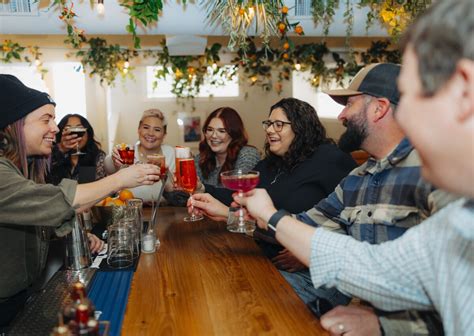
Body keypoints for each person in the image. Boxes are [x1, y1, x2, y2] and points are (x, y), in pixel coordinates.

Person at [235, 1, 473, 335]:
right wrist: (266, 216)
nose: (342, 116)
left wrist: (386, 326)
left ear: (464, 89)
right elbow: (376, 269)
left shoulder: (445, 190)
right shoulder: (459, 218)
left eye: (416, 96)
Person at [0, 75, 161, 328]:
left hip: (21, 297)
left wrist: (68, 234)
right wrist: (121, 179)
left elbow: (32, 216)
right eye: (46, 119)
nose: (55, 128)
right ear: (14, 124)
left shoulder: (23, 167)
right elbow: (56, 201)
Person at [190, 97, 356, 293]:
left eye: (279, 124)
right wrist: (203, 190)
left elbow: (354, 222)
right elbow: (239, 194)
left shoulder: (331, 160)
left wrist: (309, 252)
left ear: (301, 127)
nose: (269, 130)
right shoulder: (273, 162)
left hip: (312, 274)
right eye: (268, 124)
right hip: (265, 256)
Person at [105, 108, 175, 203]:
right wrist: (113, 159)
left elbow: (177, 190)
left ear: (164, 135)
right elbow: (108, 167)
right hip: (129, 212)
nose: (150, 133)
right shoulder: (127, 153)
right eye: (146, 127)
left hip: (165, 212)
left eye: (157, 130)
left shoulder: (171, 153)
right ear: (138, 130)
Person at [195, 107, 260, 188]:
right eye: (210, 129)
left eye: (221, 131)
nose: (214, 136)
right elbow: (192, 194)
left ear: (234, 134)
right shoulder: (201, 159)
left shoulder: (248, 154)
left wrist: (202, 188)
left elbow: (237, 191)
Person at [47, 114, 106, 185]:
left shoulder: (97, 156)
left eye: (79, 128)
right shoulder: (48, 155)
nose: (74, 134)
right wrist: (60, 150)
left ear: (88, 133)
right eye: (67, 129)